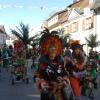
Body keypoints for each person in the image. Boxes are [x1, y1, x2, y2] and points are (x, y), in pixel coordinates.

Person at [35, 28, 68, 100]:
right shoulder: (43, 61)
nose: (53, 52)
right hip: (47, 89)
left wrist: (64, 80)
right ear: (47, 50)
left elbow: (64, 72)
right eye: (51, 50)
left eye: (55, 50)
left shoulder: (60, 61)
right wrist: (42, 82)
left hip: (59, 89)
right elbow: (38, 74)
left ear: (57, 51)